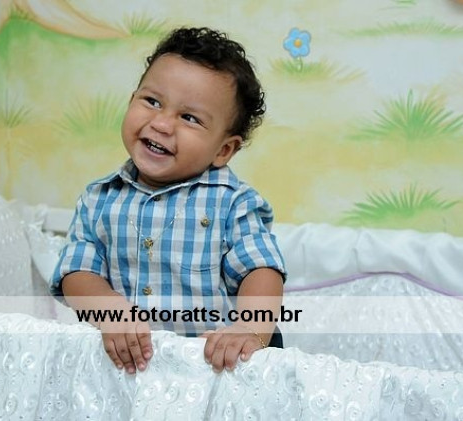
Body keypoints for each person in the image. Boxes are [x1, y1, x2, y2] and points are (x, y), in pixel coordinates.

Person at [50, 26, 286, 374]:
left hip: (217, 368)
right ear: (131, 99)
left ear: (223, 150)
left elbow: (261, 270)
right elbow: (77, 271)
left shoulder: (232, 203)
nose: (161, 123)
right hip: (134, 366)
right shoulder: (99, 199)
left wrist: (249, 329)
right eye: (152, 101)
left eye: (189, 118)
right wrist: (109, 310)